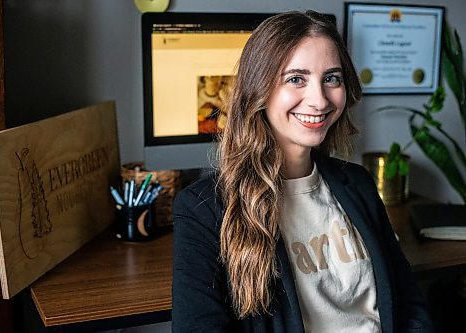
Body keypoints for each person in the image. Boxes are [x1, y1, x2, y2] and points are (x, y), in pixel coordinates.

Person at [172, 10, 435, 333]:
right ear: (259, 89)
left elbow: (409, 303)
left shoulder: (359, 183)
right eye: (296, 79)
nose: (319, 99)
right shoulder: (203, 208)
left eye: (332, 78)